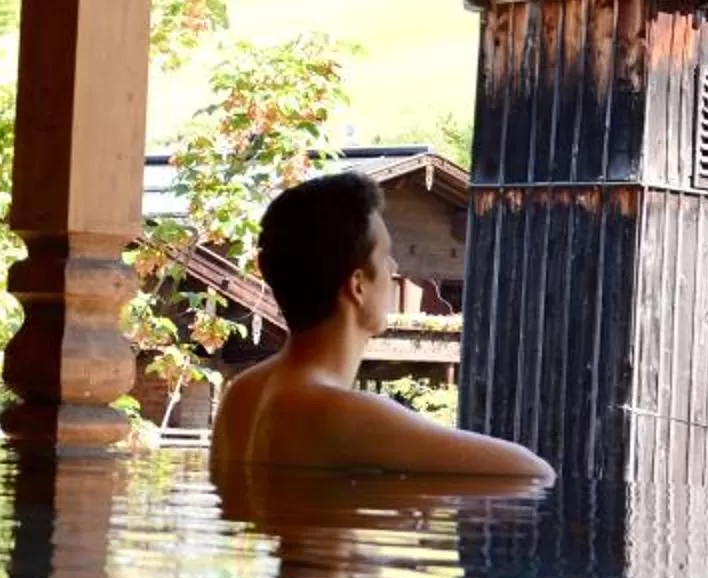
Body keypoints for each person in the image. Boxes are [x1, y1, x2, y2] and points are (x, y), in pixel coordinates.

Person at [209, 170, 553, 482]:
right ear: (358, 285)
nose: (394, 267)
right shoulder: (334, 412)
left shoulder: (240, 396)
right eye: (385, 254)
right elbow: (534, 472)